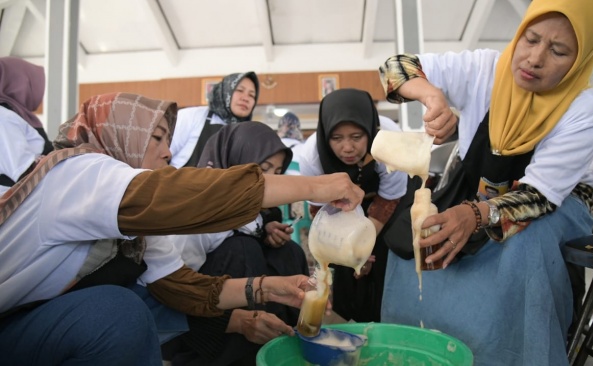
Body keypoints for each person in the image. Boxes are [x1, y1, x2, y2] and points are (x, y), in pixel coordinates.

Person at [0, 92, 364, 365]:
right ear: (119, 136)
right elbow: (189, 195)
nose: (168, 152)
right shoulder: (75, 176)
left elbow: (180, 288)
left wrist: (269, 288)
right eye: (156, 137)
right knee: (116, 312)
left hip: (34, 325)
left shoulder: (139, 230)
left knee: (129, 304)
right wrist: (317, 187)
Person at [378, 0, 593, 364]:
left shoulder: (585, 110)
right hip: (478, 191)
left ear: (580, 59)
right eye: (530, 39)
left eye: (558, 50)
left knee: (523, 247)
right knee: (411, 234)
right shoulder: (485, 68)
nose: (535, 58)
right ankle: (420, 350)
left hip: (553, 206)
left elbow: (537, 198)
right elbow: (394, 67)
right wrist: (431, 94)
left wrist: (474, 214)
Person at [154, 121, 309, 365]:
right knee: (242, 249)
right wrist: (234, 320)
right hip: (194, 323)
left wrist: (267, 230)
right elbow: (175, 288)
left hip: (231, 299)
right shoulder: (199, 211)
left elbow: (246, 225)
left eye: (277, 172)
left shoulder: (255, 211)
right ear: (235, 163)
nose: (271, 180)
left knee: (288, 252)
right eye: (263, 168)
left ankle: (285, 341)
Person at [298, 88, 409, 322]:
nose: (347, 148)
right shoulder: (311, 155)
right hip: (337, 204)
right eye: (336, 138)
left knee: (383, 257)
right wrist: (346, 248)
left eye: (356, 137)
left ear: (369, 131)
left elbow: (389, 197)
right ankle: (349, 321)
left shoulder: (390, 139)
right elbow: (320, 210)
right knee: (345, 262)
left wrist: (363, 245)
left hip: (385, 201)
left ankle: (388, 319)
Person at [169, 71, 259, 168]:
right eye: (240, 90)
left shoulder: (248, 135)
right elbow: (161, 156)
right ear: (225, 91)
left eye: (251, 95)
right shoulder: (192, 116)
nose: (246, 98)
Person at [0, 57, 53, 192]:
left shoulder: (15, 115)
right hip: (17, 204)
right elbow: (22, 171)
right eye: (33, 84)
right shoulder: (3, 118)